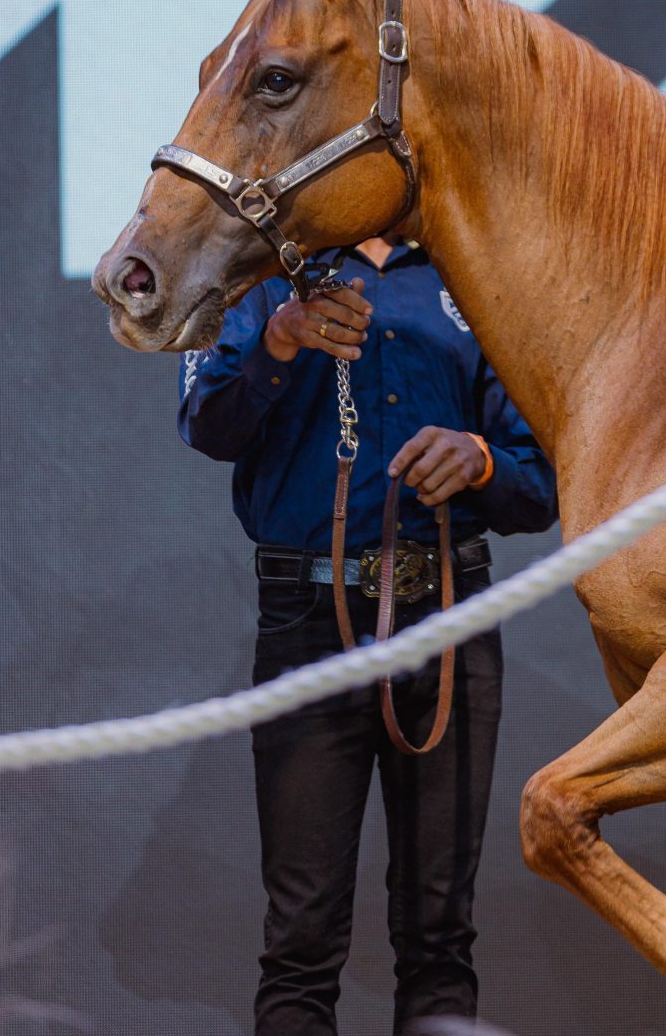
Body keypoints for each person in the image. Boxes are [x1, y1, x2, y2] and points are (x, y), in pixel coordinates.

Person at [178, 235, 557, 1036]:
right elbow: (207, 424)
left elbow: (540, 485)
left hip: (450, 617)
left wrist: (483, 460)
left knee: (440, 934)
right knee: (301, 940)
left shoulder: (474, 260)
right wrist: (277, 342)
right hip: (310, 625)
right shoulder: (260, 270)